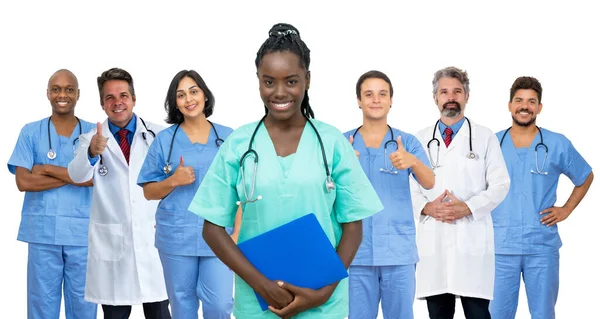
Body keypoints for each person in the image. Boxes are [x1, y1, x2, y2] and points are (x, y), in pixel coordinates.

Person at [186, 23, 384, 319]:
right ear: (258, 81)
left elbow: (353, 226)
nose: (280, 93)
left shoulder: (331, 142)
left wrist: (324, 291)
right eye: (269, 82)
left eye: (291, 81)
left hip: (324, 303)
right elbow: (212, 228)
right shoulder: (239, 144)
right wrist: (263, 286)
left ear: (307, 79)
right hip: (259, 303)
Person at [137, 69, 241, 318]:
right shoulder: (165, 140)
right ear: (175, 103)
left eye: (193, 91)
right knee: (182, 307)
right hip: (176, 238)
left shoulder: (228, 138)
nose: (188, 99)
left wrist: (237, 234)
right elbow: (149, 191)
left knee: (220, 305)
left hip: (220, 238)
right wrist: (173, 180)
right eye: (181, 95)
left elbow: (242, 191)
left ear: (205, 95)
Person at [67, 67, 170, 318]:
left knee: (160, 311)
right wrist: (92, 152)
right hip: (111, 247)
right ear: (102, 104)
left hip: (153, 241)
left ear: (133, 99)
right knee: (114, 314)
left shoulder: (160, 135)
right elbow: (76, 175)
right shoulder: (89, 138)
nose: (117, 102)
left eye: (123, 95)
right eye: (110, 98)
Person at [409, 66, 511, 319]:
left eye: (457, 91)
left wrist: (468, 207)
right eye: (444, 91)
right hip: (434, 242)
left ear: (467, 96)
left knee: (478, 314)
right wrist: (427, 207)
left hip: (472, 243)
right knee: (438, 314)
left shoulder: (485, 137)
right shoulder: (419, 140)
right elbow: (406, 186)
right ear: (435, 97)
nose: (450, 96)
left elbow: (501, 184)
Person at [488, 76, 593, 319]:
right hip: (500, 247)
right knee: (496, 314)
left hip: (541, 246)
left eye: (531, 101)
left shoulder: (557, 143)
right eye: (519, 100)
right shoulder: (491, 143)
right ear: (509, 105)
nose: (525, 106)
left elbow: (585, 176)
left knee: (543, 313)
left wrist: (565, 209)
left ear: (539, 107)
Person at [343, 70, 434, 319]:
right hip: (355, 253)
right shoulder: (343, 143)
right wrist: (342, 168)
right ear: (358, 100)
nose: (376, 99)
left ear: (391, 100)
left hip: (398, 252)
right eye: (368, 94)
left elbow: (430, 182)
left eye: (382, 94)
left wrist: (412, 161)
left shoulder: (407, 142)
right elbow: (325, 193)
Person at [8, 69, 97, 319]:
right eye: (56, 89)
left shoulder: (93, 133)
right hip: (42, 233)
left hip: (83, 235)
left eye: (69, 89)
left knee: (83, 306)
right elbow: (23, 181)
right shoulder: (30, 132)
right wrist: (74, 176)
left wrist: (46, 169)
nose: (62, 94)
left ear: (78, 94)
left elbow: (95, 179)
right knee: (41, 306)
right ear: (48, 94)